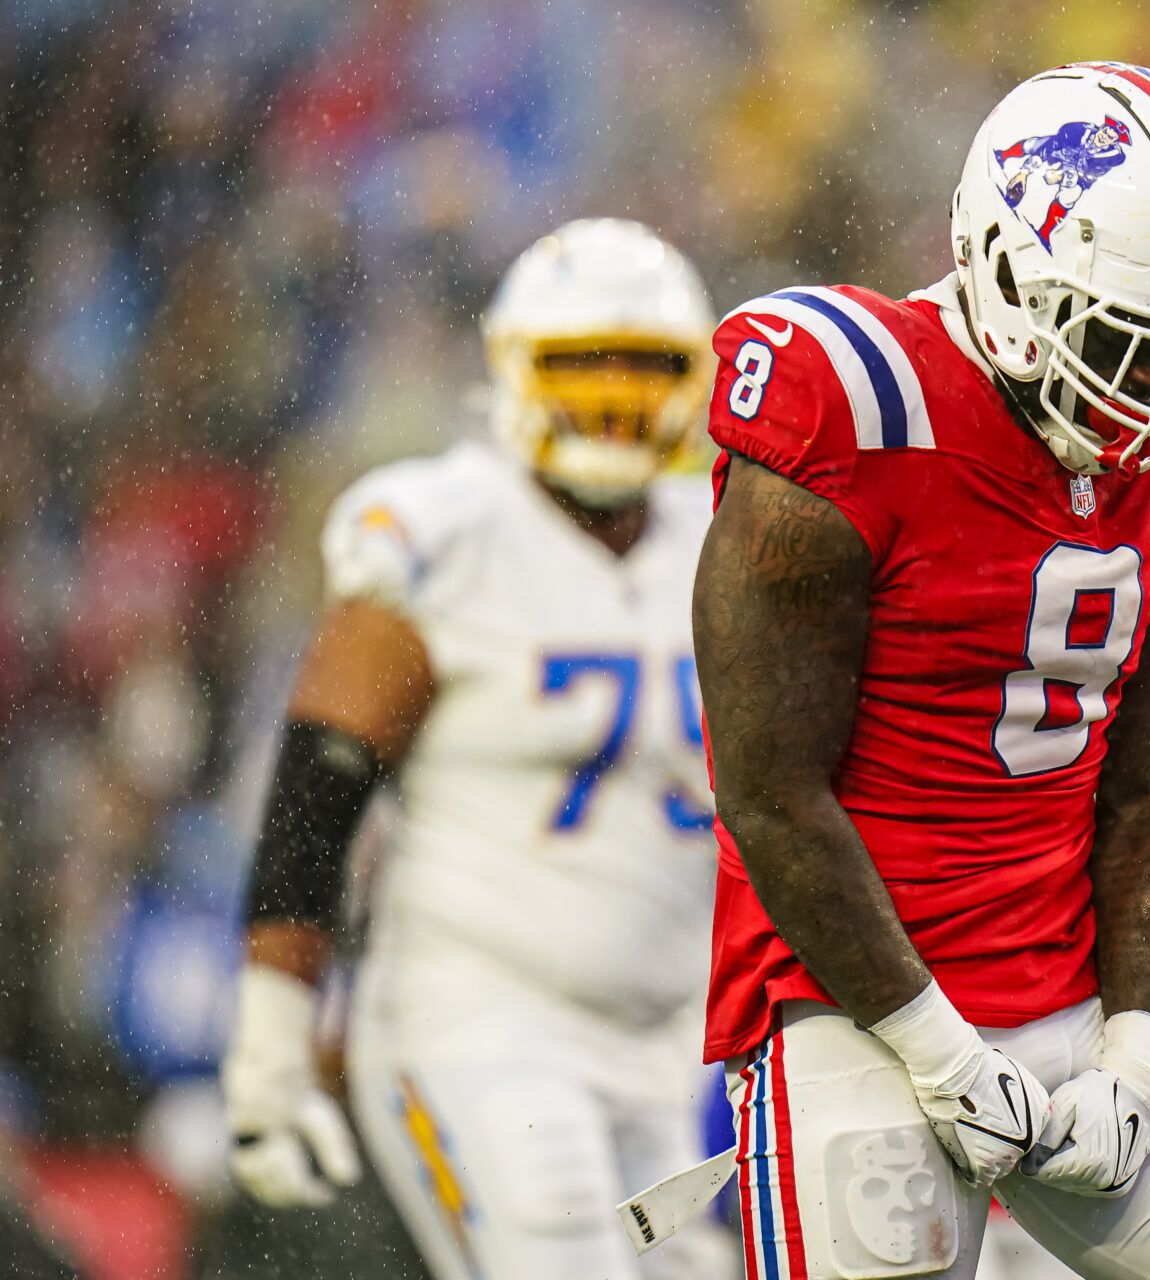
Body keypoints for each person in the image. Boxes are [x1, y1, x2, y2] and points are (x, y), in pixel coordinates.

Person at [693, 63, 1150, 1279]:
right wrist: (937, 1047)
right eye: (1129, 343)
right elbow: (767, 789)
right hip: (855, 1011)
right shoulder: (851, 406)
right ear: (1012, 276)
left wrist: (1142, 1050)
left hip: (1072, 989)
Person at [219, 218, 731, 1280]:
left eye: (645, 368)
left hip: (666, 1034)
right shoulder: (442, 531)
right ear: (511, 369)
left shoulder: (726, 538)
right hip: (480, 1011)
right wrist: (271, 1044)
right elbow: (319, 791)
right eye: (583, 365)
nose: (615, 399)